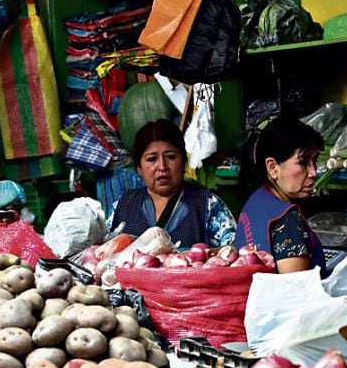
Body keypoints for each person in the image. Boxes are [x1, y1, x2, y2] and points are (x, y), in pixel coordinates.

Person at [111, 119, 236, 247]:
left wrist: (197, 255)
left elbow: (232, 251)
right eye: (152, 159)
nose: (162, 166)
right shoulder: (123, 204)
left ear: (183, 162)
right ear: (138, 167)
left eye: (170, 157)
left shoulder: (208, 205)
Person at [234, 116, 329, 275]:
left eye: (315, 161)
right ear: (273, 168)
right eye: (303, 162)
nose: (313, 173)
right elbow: (295, 292)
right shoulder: (288, 221)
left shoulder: (256, 200)